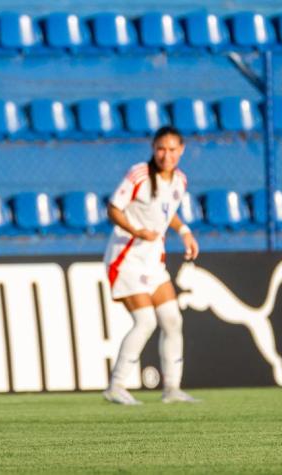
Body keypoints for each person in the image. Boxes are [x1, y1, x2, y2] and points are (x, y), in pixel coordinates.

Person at [101, 126, 200, 405]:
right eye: (160, 149)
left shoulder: (180, 180)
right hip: (126, 259)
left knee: (172, 319)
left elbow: (167, 213)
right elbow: (113, 208)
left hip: (153, 261)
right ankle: (116, 386)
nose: (165, 155)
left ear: (181, 150)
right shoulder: (139, 175)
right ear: (153, 149)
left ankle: (172, 389)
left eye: (171, 150)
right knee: (145, 321)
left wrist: (185, 232)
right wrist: (136, 231)